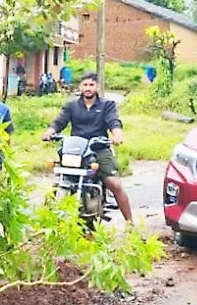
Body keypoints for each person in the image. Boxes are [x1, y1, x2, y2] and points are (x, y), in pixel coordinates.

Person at [42, 72, 133, 222]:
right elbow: (59, 122)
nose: (88, 88)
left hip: (99, 148)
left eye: (91, 85)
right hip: (77, 149)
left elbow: (114, 122)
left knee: (114, 183)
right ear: (80, 87)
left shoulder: (106, 105)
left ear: (97, 86)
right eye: (85, 85)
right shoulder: (71, 105)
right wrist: (50, 132)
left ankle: (130, 224)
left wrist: (117, 135)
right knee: (59, 180)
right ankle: (48, 222)